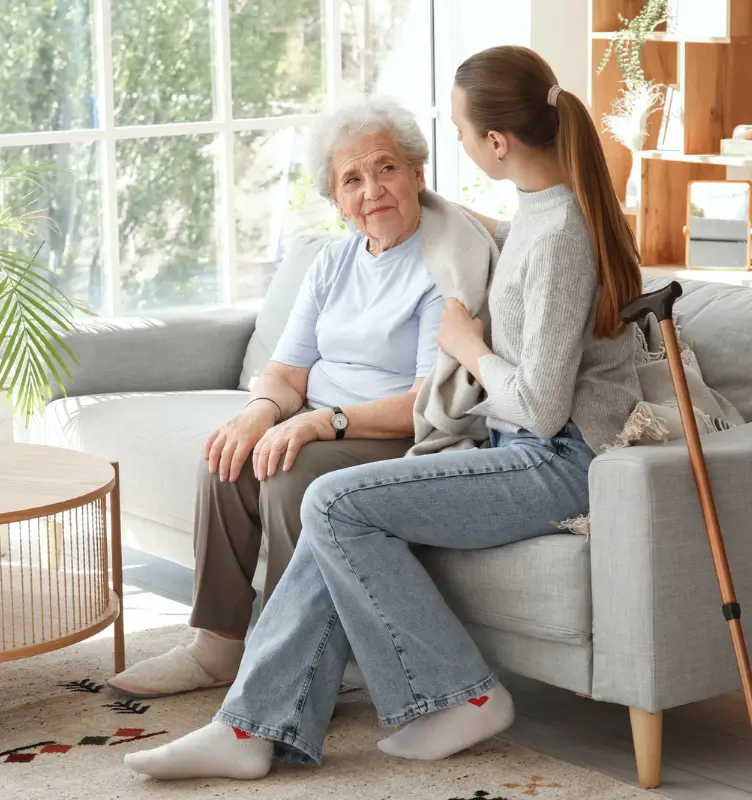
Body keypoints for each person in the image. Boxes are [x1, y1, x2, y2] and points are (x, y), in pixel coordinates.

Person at [124, 44, 644, 780]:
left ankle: (461, 694)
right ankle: (250, 728)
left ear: (495, 142)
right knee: (332, 507)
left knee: (331, 499)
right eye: (355, 180)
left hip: (557, 461)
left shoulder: (559, 234)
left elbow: (541, 407)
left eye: (460, 132)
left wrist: (467, 347)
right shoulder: (535, 215)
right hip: (519, 448)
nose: (454, 147)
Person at [108, 98, 444, 698]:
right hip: (320, 423)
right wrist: (259, 414)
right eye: (353, 179)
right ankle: (218, 649)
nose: (373, 190)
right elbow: (285, 371)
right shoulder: (332, 263)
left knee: (292, 473)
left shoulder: (442, 268)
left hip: (391, 434)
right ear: (336, 200)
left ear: (418, 173)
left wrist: (320, 424)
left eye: (387, 168)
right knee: (229, 455)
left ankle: (297, 663)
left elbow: (422, 404)